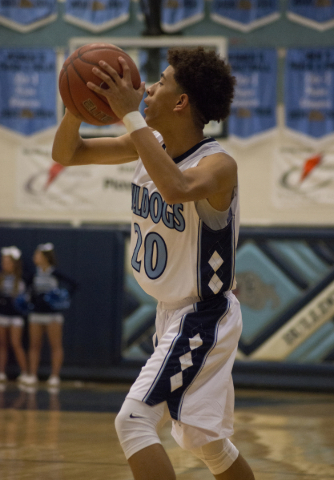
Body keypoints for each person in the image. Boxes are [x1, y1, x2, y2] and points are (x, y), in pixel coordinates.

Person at [52, 47, 255, 480]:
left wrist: (130, 116)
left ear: (181, 102)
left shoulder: (219, 165)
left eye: (161, 82)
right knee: (208, 442)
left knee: (133, 421)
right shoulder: (149, 144)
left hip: (203, 316)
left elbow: (177, 187)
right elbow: (68, 153)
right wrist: (77, 107)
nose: (148, 87)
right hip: (173, 317)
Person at [25, 243, 77, 387]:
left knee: (55, 345)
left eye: (37, 255)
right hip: (36, 314)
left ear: (45, 257)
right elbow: (27, 291)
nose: (34, 257)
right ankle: (32, 375)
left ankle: (55, 376)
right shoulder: (33, 274)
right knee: (34, 345)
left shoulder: (55, 274)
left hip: (53, 316)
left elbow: (74, 284)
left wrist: (63, 296)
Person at [0, 246, 29, 383]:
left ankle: (25, 372)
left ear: (14, 263)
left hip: (16, 316)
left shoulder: (21, 279)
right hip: (3, 315)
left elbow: (24, 300)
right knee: (2, 344)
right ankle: (1, 372)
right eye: (3, 262)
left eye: (7, 262)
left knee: (15, 343)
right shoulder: (1, 278)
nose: (4, 264)